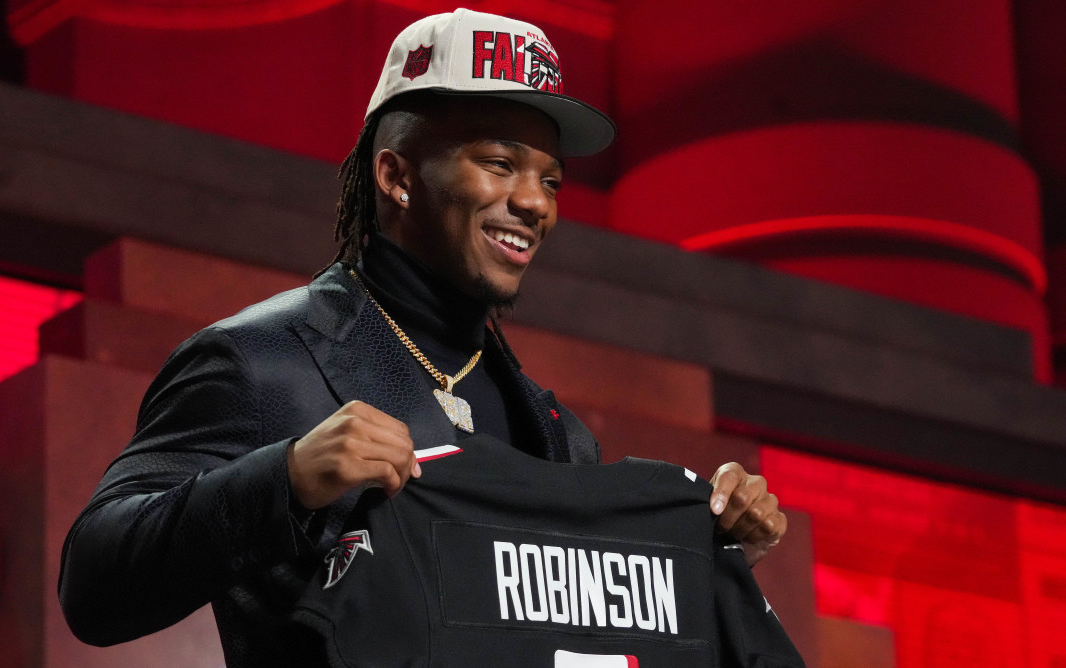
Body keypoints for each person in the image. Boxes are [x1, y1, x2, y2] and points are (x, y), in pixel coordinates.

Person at [58, 8, 788, 668]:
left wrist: (702, 557)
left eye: (552, 180)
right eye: (500, 163)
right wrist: (285, 479)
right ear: (398, 175)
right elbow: (94, 584)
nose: (534, 203)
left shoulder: (559, 434)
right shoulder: (261, 363)